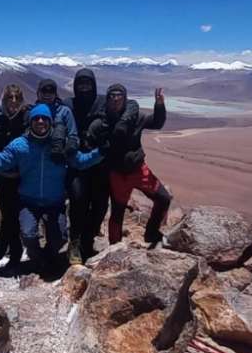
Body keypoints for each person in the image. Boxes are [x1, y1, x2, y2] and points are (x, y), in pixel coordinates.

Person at [0, 104, 104, 275]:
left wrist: (101, 152)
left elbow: (81, 161)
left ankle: (49, 256)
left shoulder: (60, 145)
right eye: (36, 118)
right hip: (28, 202)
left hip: (54, 203)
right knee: (28, 235)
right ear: (30, 122)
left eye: (44, 119)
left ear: (50, 122)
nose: (40, 122)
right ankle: (39, 260)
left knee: (60, 238)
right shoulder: (20, 145)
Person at [66, 69, 137, 264]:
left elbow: (129, 104)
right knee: (78, 201)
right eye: (80, 83)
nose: (84, 87)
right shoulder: (68, 104)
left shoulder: (101, 101)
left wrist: (122, 123)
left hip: (100, 163)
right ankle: (74, 243)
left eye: (88, 83)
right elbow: (50, 109)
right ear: (75, 85)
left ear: (94, 84)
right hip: (77, 163)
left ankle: (87, 242)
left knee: (99, 206)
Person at [88, 84, 173, 246]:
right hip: (117, 174)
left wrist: (159, 105)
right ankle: (115, 246)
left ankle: (152, 233)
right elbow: (90, 142)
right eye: (112, 96)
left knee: (163, 198)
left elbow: (156, 123)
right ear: (107, 99)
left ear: (125, 98)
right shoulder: (101, 122)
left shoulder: (135, 117)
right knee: (118, 212)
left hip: (139, 170)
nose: (115, 99)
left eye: (119, 96)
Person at [0, 84, 30, 272]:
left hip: (22, 176)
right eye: (9, 99)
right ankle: (10, 253)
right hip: (3, 177)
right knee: (9, 216)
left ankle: (3, 255)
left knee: (16, 216)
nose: (13, 103)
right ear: (3, 100)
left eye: (17, 99)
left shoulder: (27, 119)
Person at [35, 79, 78, 164]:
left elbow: (73, 135)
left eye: (51, 91)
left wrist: (69, 149)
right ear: (38, 93)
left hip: (60, 154)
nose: (47, 94)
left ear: (55, 94)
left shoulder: (64, 111)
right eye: (44, 91)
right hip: (37, 155)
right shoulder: (33, 111)